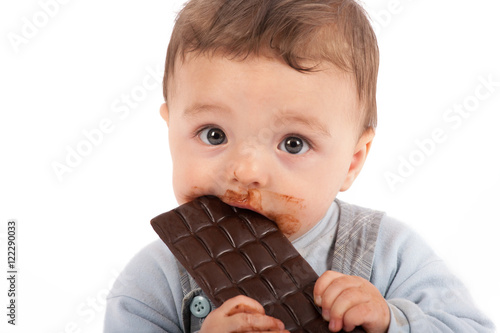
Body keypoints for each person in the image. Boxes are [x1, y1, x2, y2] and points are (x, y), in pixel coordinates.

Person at [104, 0, 495, 332]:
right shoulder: (152, 284)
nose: (246, 171)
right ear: (171, 130)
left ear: (352, 162)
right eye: (214, 135)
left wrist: (394, 321)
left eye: (293, 143)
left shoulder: (387, 254)